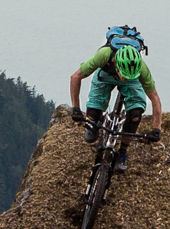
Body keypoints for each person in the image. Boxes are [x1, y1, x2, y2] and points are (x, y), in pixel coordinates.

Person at [69, 25, 164, 170]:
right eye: (124, 76)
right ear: (117, 65)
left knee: (135, 115)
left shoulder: (140, 69)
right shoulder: (104, 55)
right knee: (94, 110)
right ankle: (94, 123)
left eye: (128, 77)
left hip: (134, 77)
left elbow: (155, 98)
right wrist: (75, 107)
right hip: (106, 74)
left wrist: (157, 129)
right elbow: (75, 77)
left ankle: (123, 152)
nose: (125, 80)